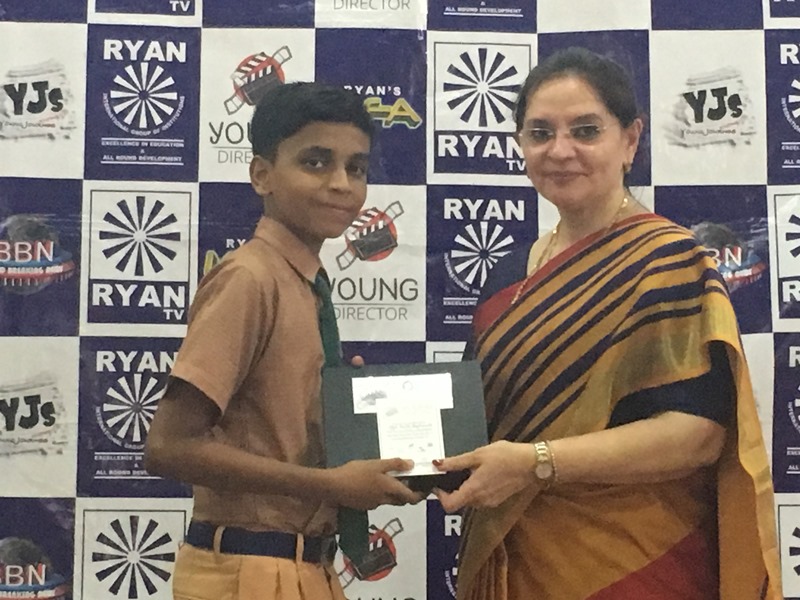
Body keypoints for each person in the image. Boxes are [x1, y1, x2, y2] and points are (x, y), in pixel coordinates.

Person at [433, 47, 781, 600]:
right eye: (540, 133)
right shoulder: (506, 273)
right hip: (518, 562)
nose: (560, 150)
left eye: (585, 131)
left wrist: (536, 463)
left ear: (630, 140)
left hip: (635, 564)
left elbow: (697, 436)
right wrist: (380, 421)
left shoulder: (669, 260)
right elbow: (478, 421)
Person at [144, 82, 420, 600]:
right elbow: (169, 446)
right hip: (249, 570)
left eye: (357, 168)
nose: (341, 184)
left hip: (302, 566)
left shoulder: (305, 282)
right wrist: (332, 485)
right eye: (316, 162)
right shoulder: (250, 278)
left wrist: (340, 408)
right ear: (261, 175)